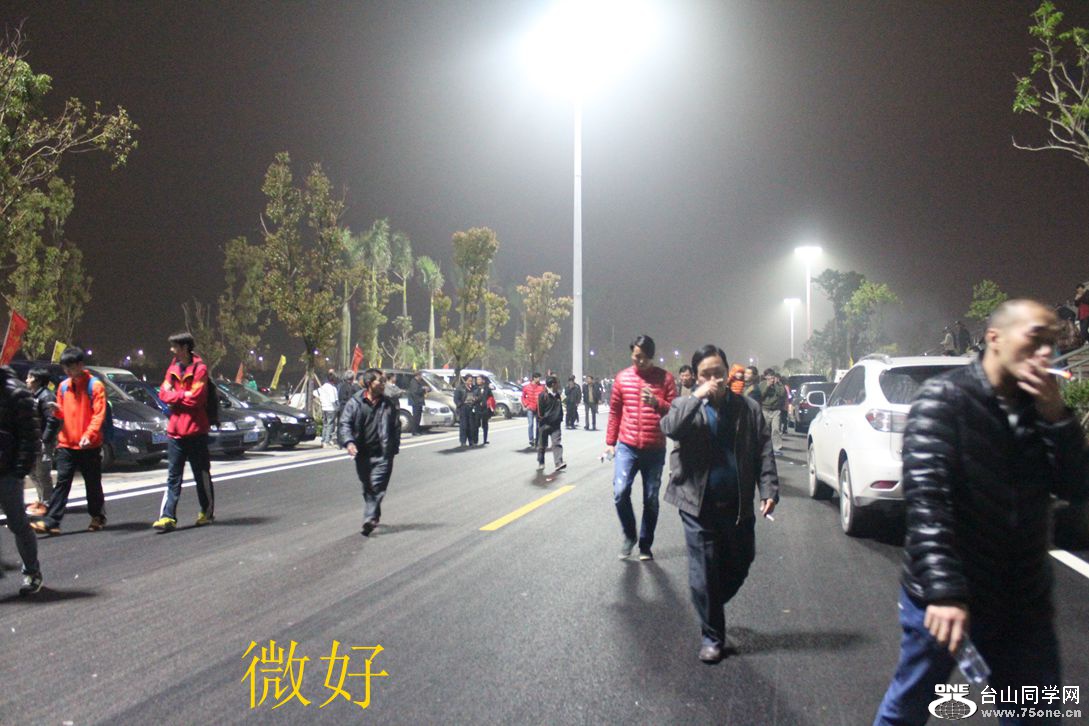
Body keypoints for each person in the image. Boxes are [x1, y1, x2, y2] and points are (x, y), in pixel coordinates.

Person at [872, 300, 1089, 726]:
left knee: (1036, 715)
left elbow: (1076, 488)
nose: (1046, 353)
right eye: (1035, 339)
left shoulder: (1040, 407)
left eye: (1051, 343)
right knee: (908, 709)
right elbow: (928, 502)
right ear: (995, 338)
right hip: (948, 596)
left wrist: (1058, 418)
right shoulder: (944, 400)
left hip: (1022, 601)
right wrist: (944, 592)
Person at [660, 345, 779, 663]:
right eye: (705, 374)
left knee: (741, 561)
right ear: (695, 377)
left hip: (737, 506)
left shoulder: (748, 409)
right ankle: (712, 636)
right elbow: (670, 427)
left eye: (718, 373)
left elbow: (763, 449)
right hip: (696, 505)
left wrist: (768, 489)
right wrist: (696, 397)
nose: (713, 379)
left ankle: (710, 602)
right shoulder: (686, 405)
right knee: (704, 570)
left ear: (728, 373)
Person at [605, 334, 676, 561]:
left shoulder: (665, 379)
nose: (640, 361)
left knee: (651, 498)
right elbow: (615, 411)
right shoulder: (622, 378)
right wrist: (610, 443)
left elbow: (675, 412)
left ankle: (645, 544)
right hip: (627, 446)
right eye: (637, 356)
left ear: (652, 356)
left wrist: (657, 403)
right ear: (632, 354)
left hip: (654, 449)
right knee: (620, 492)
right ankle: (630, 535)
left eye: (645, 357)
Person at [30, 347, 108, 535]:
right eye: (65, 368)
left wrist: (89, 435)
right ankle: (52, 522)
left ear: (81, 365)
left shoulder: (95, 386)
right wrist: (57, 411)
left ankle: (97, 516)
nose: (67, 372)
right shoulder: (64, 387)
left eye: (70, 368)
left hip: (89, 445)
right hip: (67, 444)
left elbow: (99, 415)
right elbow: (63, 414)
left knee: (92, 483)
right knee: (62, 483)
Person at [153, 332, 215, 531]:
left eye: (176, 347)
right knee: (173, 476)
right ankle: (167, 516)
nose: (173, 350)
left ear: (186, 347)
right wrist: (183, 395)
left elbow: (196, 398)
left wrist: (175, 396)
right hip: (175, 432)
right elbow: (162, 393)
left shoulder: (200, 369)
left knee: (201, 474)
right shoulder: (172, 368)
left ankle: (206, 512)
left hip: (196, 431)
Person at [338, 368, 401, 536]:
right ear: (369, 383)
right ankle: (374, 514)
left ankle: (369, 519)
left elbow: (396, 426)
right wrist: (349, 442)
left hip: (383, 452)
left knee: (377, 485)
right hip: (362, 453)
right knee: (368, 486)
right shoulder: (355, 402)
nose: (383, 384)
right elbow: (345, 424)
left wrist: (394, 447)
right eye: (380, 381)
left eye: (384, 381)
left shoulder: (388, 403)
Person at [0, 365, 44, 594]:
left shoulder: (16, 392)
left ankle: (32, 572)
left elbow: (31, 435)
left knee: (17, 523)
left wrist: (19, 470)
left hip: (8, 471)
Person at [25, 368, 60, 517]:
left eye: (29, 377)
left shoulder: (46, 396)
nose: (26, 380)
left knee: (42, 473)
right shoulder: (33, 395)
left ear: (37, 380)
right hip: (34, 440)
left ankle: (47, 503)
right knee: (32, 471)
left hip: (43, 441)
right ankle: (42, 500)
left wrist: (45, 440)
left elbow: (52, 420)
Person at [536, 375, 565, 473]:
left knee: (556, 443)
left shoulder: (558, 395)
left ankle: (558, 463)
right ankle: (541, 461)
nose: (558, 385)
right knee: (542, 445)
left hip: (556, 425)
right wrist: (543, 419)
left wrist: (560, 418)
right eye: (557, 383)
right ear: (553, 384)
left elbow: (561, 407)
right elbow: (540, 412)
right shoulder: (542, 395)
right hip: (544, 425)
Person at [758, 369, 786, 454]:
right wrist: (767, 386)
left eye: (773, 376)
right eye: (769, 376)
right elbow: (760, 395)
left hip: (776, 410)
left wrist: (777, 384)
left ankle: (776, 447)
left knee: (776, 429)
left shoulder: (778, 384)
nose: (771, 379)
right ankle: (763, 446)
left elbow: (782, 394)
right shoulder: (762, 384)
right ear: (766, 377)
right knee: (765, 430)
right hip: (765, 409)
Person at [315, 371, 340, 447]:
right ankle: (327, 441)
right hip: (331, 409)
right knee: (330, 425)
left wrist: (321, 400)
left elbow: (315, 393)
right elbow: (333, 400)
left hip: (324, 408)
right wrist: (337, 408)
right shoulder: (333, 388)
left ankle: (323, 441)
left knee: (325, 425)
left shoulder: (323, 387)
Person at [521, 372, 545, 447]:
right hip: (530, 408)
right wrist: (526, 404)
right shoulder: (527, 387)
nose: (539, 379)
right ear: (534, 378)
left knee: (538, 425)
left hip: (539, 408)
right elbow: (523, 397)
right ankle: (531, 440)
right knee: (530, 424)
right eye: (538, 378)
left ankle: (537, 439)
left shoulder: (541, 387)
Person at [406, 370, 430, 435]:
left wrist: (425, 388)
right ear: (418, 375)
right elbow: (415, 391)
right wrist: (423, 389)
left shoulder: (419, 382)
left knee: (418, 416)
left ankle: (418, 430)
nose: (421, 377)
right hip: (415, 401)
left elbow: (423, 388)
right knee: (416, 417)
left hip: (419, 401)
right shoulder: (413, 382)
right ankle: (414, 431)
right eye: (420, 375)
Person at [477, 375, 494, 445]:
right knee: (476, 424)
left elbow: (491, 397)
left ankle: (485, 439)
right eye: (477, 379)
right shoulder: (475, 388)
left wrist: (489, 404)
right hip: (477, 408)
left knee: (485, 424)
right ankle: (475, 440)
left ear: (483, 380)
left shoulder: (487, 389)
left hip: (485, 409)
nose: (478, 381)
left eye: (479, 379)